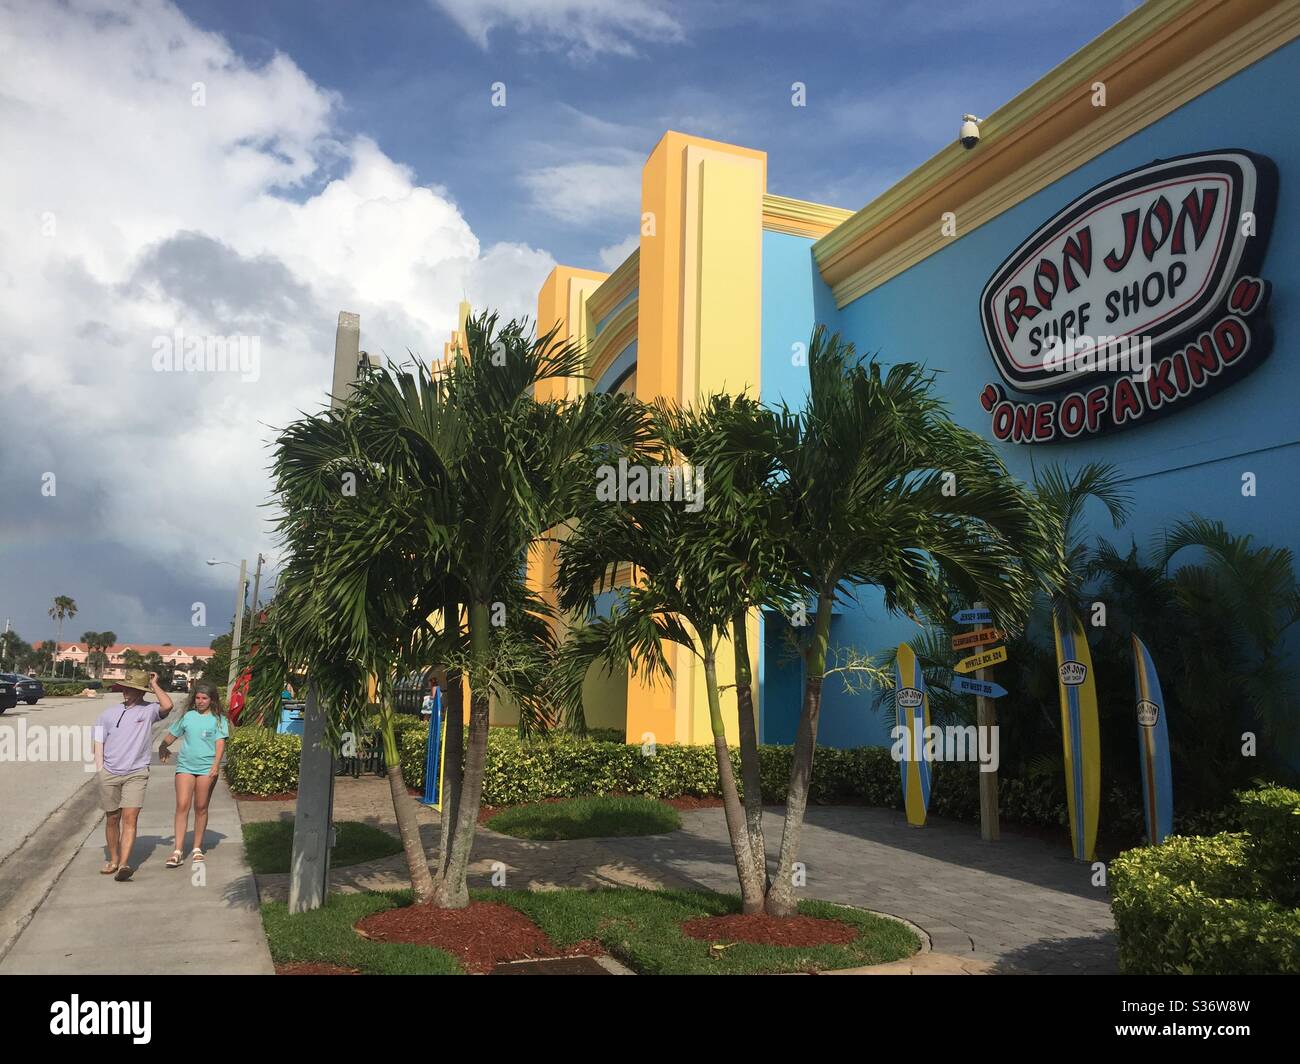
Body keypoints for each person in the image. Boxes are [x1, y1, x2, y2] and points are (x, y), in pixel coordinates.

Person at [91, 669, 174, 881]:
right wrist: (100, 769)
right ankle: (114, 859)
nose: (126, 692)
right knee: (112, 818)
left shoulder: (149, 711)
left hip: (136, 772)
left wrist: (154, 684)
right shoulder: (107, 714)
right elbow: (98, 742)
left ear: (141, 692)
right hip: (109, 772)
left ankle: (125, 864)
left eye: (131, 689)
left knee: (130, 818)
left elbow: (168, 705)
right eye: (125, 688)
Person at [157, 680, 230, 867]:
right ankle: (178, 850)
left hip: (207, 767)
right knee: (182, 805)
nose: (200, 701)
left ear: (212, 699)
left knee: (201, 806)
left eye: (204, 698)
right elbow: (172, 734)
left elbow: (220, 743)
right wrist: (163, 745)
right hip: (185, 766)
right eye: (197, 698)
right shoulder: (187, 717)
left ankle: (197, 847)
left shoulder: (219, 719)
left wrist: (216, 764)